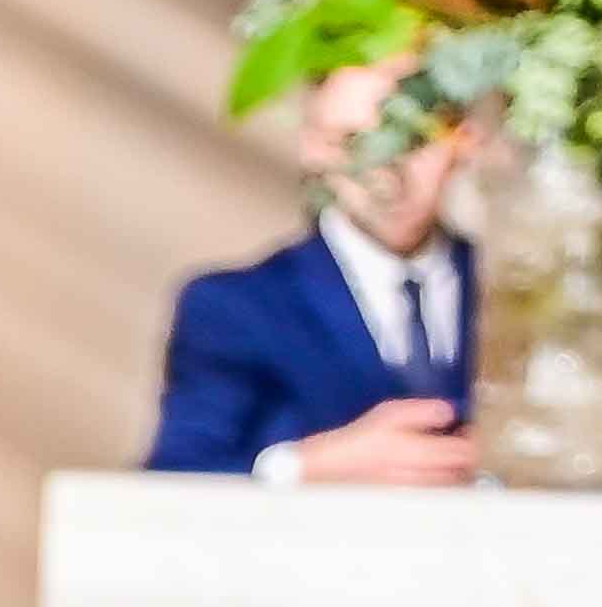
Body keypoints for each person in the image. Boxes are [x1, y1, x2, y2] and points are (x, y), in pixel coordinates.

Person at [147, 62, 484, 484]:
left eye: (413, 140)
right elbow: (175, 477)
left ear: (465, 139)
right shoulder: (236, 307)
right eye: (355, 142)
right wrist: (310, 466)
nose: (386, 174)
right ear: (313, 147)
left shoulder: (523, 297)